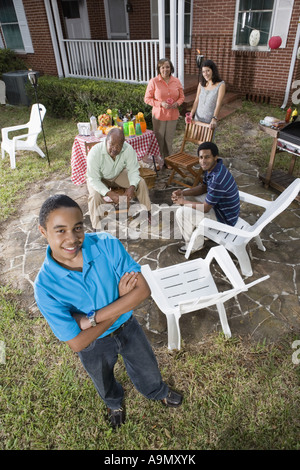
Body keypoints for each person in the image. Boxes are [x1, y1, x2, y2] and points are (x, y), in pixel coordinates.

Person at [34, 194, 183, 429]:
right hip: (95, 344)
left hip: (128, 327)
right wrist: (121, 302)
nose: (72, 239)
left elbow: (142, 290)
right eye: (60, 231)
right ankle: (114, 402)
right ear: (44, 232)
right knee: (102, 377)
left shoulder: (105, 244)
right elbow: (77, 343)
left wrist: (90, 319)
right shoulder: (45, 286)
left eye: (77, 228)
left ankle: (157, 391)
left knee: (146, 365)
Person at [171, 142, 240, 255]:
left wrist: (183, 202)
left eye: (207, 157)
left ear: (215, 157)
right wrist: (183, 193)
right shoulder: (215, 168)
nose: (203, 161)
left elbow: (206, 208)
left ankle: (195, 245)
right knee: (186, 198)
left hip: (224, 219)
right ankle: (200, 231)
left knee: (181, 212)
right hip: (220, 208)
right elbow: (204, 187)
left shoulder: (217, 178)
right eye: (201, 157)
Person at [86, 127, 152, 229]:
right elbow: (93, 178)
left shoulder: (128, 149)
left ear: (123, 144)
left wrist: (132, 187)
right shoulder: (95, 152)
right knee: (94, 195)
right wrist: (109, 193)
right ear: (106, 141)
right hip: (98, 178)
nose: (115, 148)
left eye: (119, 146)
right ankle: (97, 227)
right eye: (112, 144)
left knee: (141, 182)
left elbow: (133, 170)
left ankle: (147, 211)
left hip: (117, 175)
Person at [144, 58, 185, 161]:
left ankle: (168, 159)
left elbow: (182, 97)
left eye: (167, 67)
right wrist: (160, 103)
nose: (165, 69)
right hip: (159, 116)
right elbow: (147, 99)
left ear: (171, 68)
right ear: (159, 68)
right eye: (162, 67)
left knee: (169, 140)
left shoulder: (176, 81)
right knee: (159, 139)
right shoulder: (154, 81)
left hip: (173, 115)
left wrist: (177, 103)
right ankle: (159, 160)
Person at [190, 59, 225, 131]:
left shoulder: (221, 85)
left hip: (210, 122)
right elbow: (196, 100)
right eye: (203, 71)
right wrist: (191, 114)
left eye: (208, 70)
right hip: (197, 119)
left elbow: (218, 103)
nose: (205, 73)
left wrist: (214, 118)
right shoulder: (201, 84)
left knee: (207, 142)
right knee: (196, 141)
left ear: (213, 70)